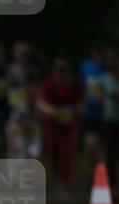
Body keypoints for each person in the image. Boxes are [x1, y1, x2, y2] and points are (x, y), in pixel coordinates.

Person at [37, 57, 83, 194]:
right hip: (52, 125)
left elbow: (81, 103)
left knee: (66, 152)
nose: (61, 72)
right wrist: (50, 110)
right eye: (59, 69)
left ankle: (63, 182)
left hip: (69, 125)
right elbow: (40, 102)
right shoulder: (49, 84)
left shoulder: (74, 85)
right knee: (53, 151)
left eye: (64, 69)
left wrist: (75, 110)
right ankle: (56, 177)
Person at [79, 44, 108, 175]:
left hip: (106, 112)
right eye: (97, 52)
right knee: (90, 143)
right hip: (90, 111)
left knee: (103, 145)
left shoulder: (109, 68)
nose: (99, 55)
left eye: (102, 52)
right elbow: (81, 86)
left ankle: (102, 173)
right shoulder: (85, 66)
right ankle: (91, 171)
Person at [99, 49, 119, 192]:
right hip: (108, 119)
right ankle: (111, 183)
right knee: (110, 152)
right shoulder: (104, 79)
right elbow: (99, 99)